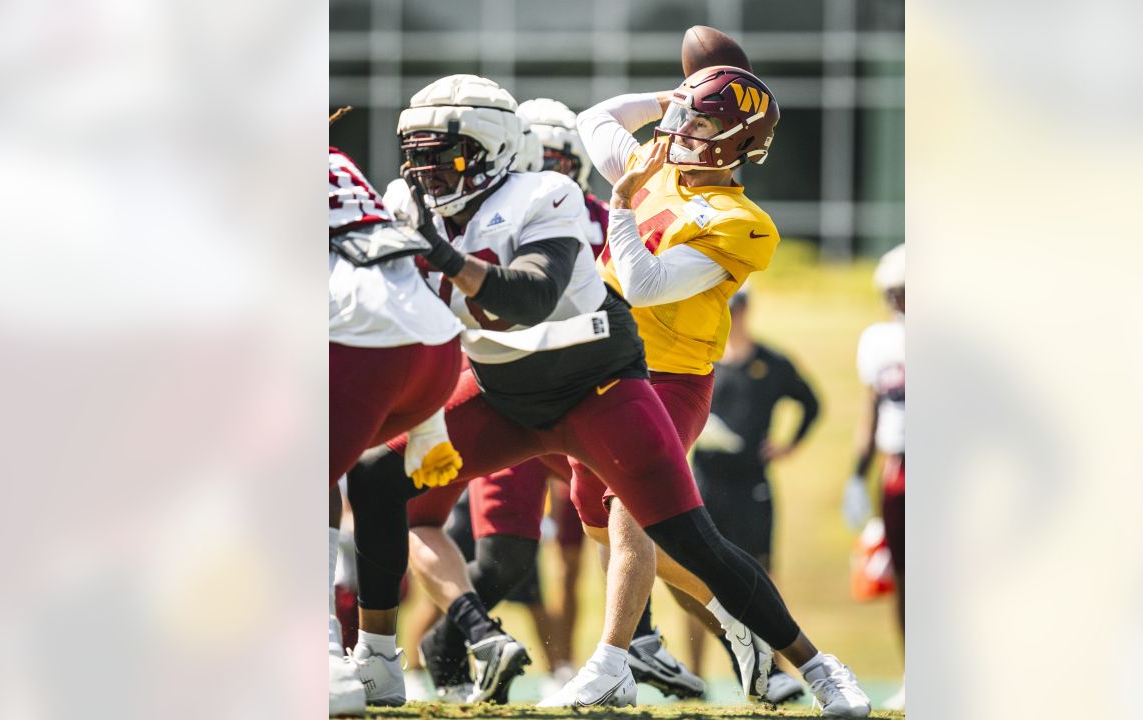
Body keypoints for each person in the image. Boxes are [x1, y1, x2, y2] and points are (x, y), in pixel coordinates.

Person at [353, 73, 869, 717]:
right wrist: (672, 100)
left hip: (607, 384)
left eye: (444, 153)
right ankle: (375, 659)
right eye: (421, 154)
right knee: (377, 476)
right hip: (509, 386)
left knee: (680, 534)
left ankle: (817, 669)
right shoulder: (418, 200)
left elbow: (576, 290)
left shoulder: (560, 196)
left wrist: (619, 203)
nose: (427, 170)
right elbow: (599, 116)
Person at [327, 142, 466, 714]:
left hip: (365, 348)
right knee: (365, 479)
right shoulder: (336, 159)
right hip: (435, 352)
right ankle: (378, 662)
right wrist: (428, 420)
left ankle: (324, 659)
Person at [685, 285, 819, 701]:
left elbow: (810, 402)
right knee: (697, 580)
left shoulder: (771, 363)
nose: (733, 315)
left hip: (751, 486)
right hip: (704, 482)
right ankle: (693, 675)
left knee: (759, 574)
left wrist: (789, 444)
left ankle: (773, 670)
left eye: (738, 307)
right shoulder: (699, 360)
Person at [843, 243, 906, 710]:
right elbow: (872, 411)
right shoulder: (878, 340)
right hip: (897, 468)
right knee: (905, 578)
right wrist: (855, 476)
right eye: (895, 292)